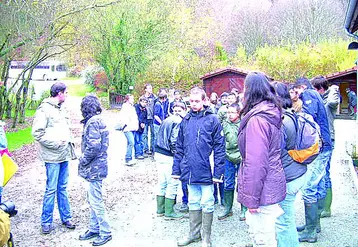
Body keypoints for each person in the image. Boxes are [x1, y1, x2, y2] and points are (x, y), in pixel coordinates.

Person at [172, 86, 225, 247]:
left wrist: (218, 173)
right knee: (193, 201)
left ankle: (206, 238)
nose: (193, 104)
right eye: (191, 101)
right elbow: (179, 146)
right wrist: (176, 170)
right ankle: (194, 234)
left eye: (197, 101)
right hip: (189, 170)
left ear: (204, 101)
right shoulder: (186, 120)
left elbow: (220, 148)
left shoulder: (213, 119)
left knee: (207, 202)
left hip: (206, 170)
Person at [237, 72, 286, 247]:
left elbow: (256, 163)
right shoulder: (269, 111)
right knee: (268, 236)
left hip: (262, 190)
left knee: (262, 239)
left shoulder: (257, 120)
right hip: (270, 182)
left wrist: (251, 199)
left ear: (250, 90)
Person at [32, 82, 76, 234]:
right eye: (66, 92)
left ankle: (66, 217)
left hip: (64, 155)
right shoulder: (44, 109)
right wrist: (56, 144)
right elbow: (37, 133)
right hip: (52, 156)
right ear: (59, 93)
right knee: (51, 189)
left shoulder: (62, 108)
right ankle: (46, 221)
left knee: (62, 187)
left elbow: (65, 128)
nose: (67, 95)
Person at [294, 77, 333, 243]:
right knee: (319, 183)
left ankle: (311, 231)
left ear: (301, 87)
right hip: (324, 146)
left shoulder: (309, 94)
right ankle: (314, 224)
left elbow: (308, 118)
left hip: (318, 147)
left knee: (309, 187)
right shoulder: (314, 95)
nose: (294, 95)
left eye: (295, 91)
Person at [273, 82, 308, 247]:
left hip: (288, 176)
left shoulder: (281, 120)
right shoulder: (291, 114)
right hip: (298, 171)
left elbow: (276, 152)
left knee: (283, 222)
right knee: (287, 219)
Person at [78, 95, 112, 246]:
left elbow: (93, 147)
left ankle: (105, 232)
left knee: (96, 201)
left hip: (95, 168)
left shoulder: (93, 122)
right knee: (92, 199)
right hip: (97, 166)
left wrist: (82, 160)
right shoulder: (98, 120)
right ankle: (94, 228)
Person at [311, 76, 340, 218]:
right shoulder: (321, 100)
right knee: (319, 174)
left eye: (316, 89)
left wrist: (334, 89)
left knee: (325, 173)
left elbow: (334, 102)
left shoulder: (330, 101)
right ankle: (319, 207)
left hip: (329, 139)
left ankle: (326, 208)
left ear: (322, 89)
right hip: (319, 139)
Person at [155, 102, 187, 220]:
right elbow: (174, 140)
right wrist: (177, 155)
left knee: (162, 182)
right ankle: (169, 212)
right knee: (172, 183)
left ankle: (160, 209)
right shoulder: (178, 122)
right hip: (168, 155)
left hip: (159, 152)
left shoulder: (167, 119)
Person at [217, 103, 247, 221]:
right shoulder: (224, 124)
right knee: (228, 183)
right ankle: (228, 208)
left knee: (242, 183)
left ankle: (244, 209)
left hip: (242, 157)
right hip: (228, 157)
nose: (230, 115)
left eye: (232, 112)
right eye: (228, 112)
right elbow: (220, 140)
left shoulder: (244, 124)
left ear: (238, 113)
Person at [118, 94, 138, 166]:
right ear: (127, 99)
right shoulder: (125, 107)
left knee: (129, 143)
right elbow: (124, 118)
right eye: (131, 99)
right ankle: (128, 158)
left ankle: (129, 158)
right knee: (131, 142)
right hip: (127, 128)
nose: (133, 100)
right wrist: (125, 125)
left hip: (132, 127)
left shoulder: (132, 107)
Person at [142, 84, 157, 155]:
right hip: (145, 119)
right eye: (149, 88)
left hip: (152, 118)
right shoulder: (142, 98)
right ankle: (145, 149)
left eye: (151, 88)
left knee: (153, 134)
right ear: (145, 89)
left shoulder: (154, 97)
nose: (151, 89)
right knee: (144, 134)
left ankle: (152, 148)